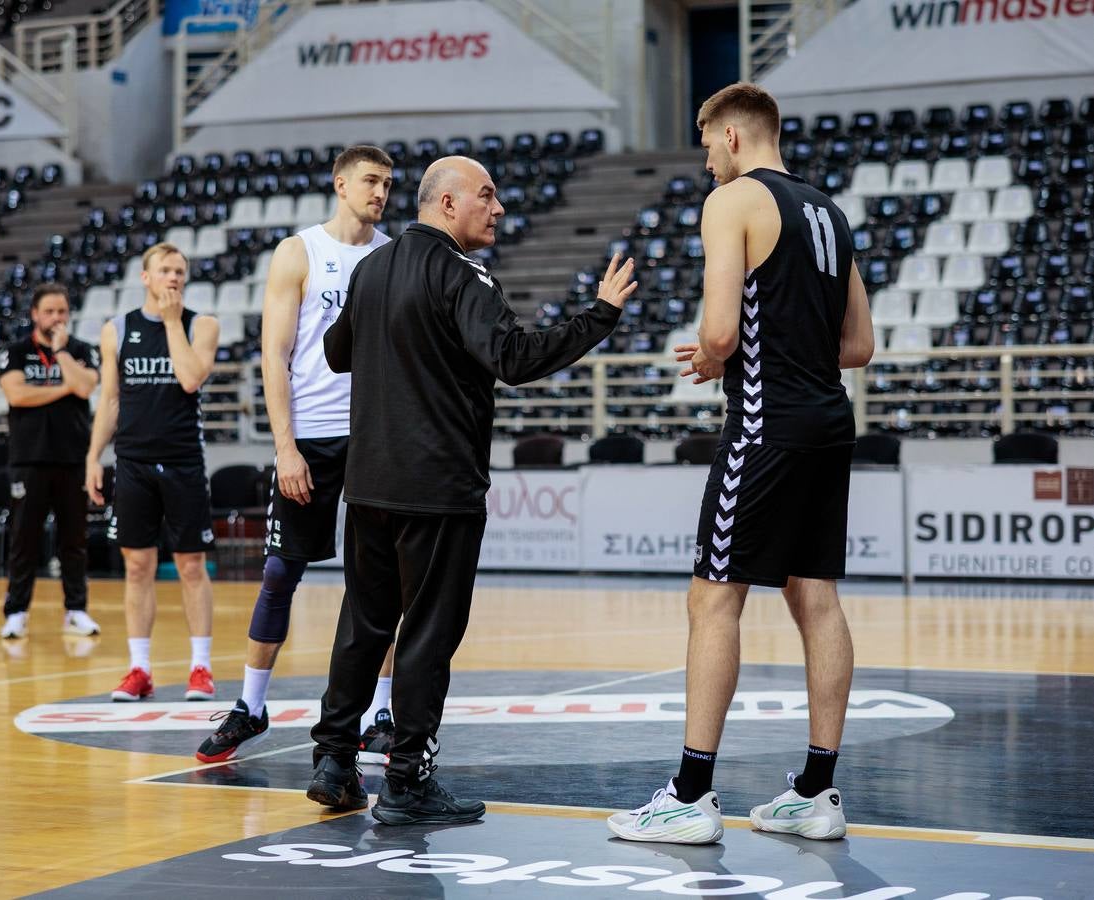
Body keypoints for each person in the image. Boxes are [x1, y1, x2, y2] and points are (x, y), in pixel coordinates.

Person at [305, 155, 637, 825]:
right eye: (486, 195)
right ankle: (406, 782)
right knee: (427, 636)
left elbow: (338, 352)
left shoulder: (371, 269)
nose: (498, 208)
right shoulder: (462, 275)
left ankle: (335, 763)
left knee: (362, 628)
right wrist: (598, 317)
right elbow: (512, 358)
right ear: (447, 203)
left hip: (368, 483)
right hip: (437, 489)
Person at [606, 82, 875, 846]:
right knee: (813, 596)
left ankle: (689, 794)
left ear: (729, 135)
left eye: (702, 139)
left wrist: (710, 352)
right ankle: (817, 794)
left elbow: (719, 332)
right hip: (828, 420)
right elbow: (859, 347)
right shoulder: (829, 210)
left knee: (712, 598)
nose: (702, 158)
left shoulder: (731, 203)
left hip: (763, 425)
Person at [195, 145, 400, 764]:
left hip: (371, 437)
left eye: (389, 184)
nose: (381, 193)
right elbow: (273, 356)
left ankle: (380, 711)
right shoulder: (299, 252)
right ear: (340, 184)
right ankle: (250, 707)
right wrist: (285, 447)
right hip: (308, 438)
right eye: (370, 181)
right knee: (281, 573)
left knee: (378, 580)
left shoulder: (391, 256)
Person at [85, 242, 221, 702]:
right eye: (164, 270)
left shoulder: (202, 325)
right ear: (145, 277)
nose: (174, 278)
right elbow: (110, 400)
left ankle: (200, 666)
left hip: (183, 461)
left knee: (191, 565)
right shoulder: (116, 330)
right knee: (138, 566)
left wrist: (169, 322)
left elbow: (189, 378)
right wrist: (92, 457)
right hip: (133, 463)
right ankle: (139, 668)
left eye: (180, 271)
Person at [0, 283, 101, 640]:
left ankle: (76, 610)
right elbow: (16, 394)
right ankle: (16, 612)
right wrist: (63, 388)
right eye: (50, 311)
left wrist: (62, 355)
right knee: (24, 538)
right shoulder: (16, 352)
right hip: (30, 458)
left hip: (73, 457)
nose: (57, 318)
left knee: (74, 540)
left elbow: (86, 387)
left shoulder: (80, 350)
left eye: (62, 311)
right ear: (35, 315)